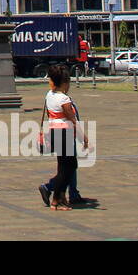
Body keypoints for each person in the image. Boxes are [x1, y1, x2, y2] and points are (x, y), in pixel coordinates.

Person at [38, 65, 91, 211]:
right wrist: (84, 137)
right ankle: (56, 199)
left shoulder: (49, 95)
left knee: (64, 167)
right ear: (64, 83)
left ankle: (59, 198)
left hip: (55, 132)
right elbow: (73, 119)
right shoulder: (64, 99)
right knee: (69, 167)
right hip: (64, 134)